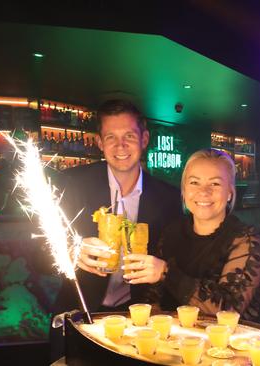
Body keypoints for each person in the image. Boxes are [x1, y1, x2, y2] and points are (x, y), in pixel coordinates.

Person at [49, 99, 181, 361]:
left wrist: (163, 268)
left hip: (138, 321)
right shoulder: (73, 183)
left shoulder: (168, 197)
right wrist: (70, 252)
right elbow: (38, 248)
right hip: (80, 313)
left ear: (144, 139)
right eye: (111, 137)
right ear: (99, 142)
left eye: (129, 136)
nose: (120, 146)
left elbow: (178, 262)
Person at [123, 148, 260, 320]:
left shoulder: (245, 241)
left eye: (215, 184)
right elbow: (153, 297)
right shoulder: (172, 232)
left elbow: (227, 311)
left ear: (230, 193)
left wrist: (166, 272)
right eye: (194, 182)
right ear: (184, 191)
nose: (204, 191)